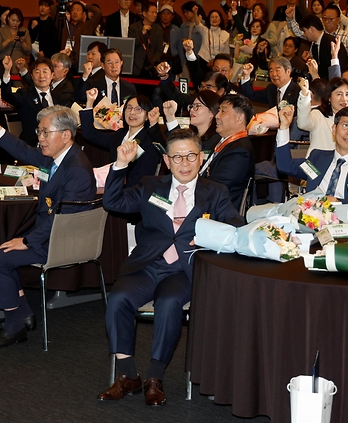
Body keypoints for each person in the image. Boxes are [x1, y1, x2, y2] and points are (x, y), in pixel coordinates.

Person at [99, 128, 245, 406]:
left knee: (168, 304)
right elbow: (112, 201)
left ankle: (155, 377)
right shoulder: (150, 185)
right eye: (177, 157)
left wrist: (210, 236)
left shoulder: (215, 192)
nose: (184, 163)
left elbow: (235, 224)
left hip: (183, 269)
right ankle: (128, 375)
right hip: (148, 264)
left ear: (201, 158)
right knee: (117, 299)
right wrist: (120, 164)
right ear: (166, 161)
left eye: (190, 155)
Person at [0, 104, 96, 347]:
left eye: (45, 133)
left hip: (62, 241)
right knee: (3, 247)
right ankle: (22, 313)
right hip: (51, 232)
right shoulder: (60, 156)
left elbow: (63, 219)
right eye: (39, 132)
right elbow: (22, 150)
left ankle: (14, 325)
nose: (40, 138)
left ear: (65, 135)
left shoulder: (77, 170)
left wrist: (27, 241)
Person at [275, 105, 348, 217]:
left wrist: (335, 202)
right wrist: (284, 127)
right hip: (311, 222)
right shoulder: (318, 159)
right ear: (334, 129)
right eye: (345, 125)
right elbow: (285, 166)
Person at [81, 90, 161, 188]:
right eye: (129, 108)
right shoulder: (119, 135)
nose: (132, 112)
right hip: (114, 187)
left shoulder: (149, 140)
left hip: (135, 190)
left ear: (147, 116)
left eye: (138, 109)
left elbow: (144, 176)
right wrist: (90, 102)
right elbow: (89, 134)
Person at [199, 94, 255, 208]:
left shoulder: (240, 151)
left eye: (223, 111)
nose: (217, 116)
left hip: (216, 209)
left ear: (239, 118)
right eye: (218, 111)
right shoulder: (220, 141)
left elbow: (216, 187)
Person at [2, 56, 64, 145]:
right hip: (32, 144)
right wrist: (7, 71)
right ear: (32, 76)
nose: (41, 76)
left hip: (55, 144)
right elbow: (7, 96)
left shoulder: (59, 98)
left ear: (52, 75)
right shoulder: (24, 94)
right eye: (37, 72)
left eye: (45, 72)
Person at [295, 77, 348, 154]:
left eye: (347, 94)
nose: (344, 99)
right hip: (318, 160)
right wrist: (305, 95)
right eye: (339, 94)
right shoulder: (319, 115)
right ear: (329, 97)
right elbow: (303, 123)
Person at [298, 14, 348, 79]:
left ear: (312, 29)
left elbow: (341, 67)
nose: (304, 34)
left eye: (304, 31)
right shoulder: (314, 45)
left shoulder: (332, 43)